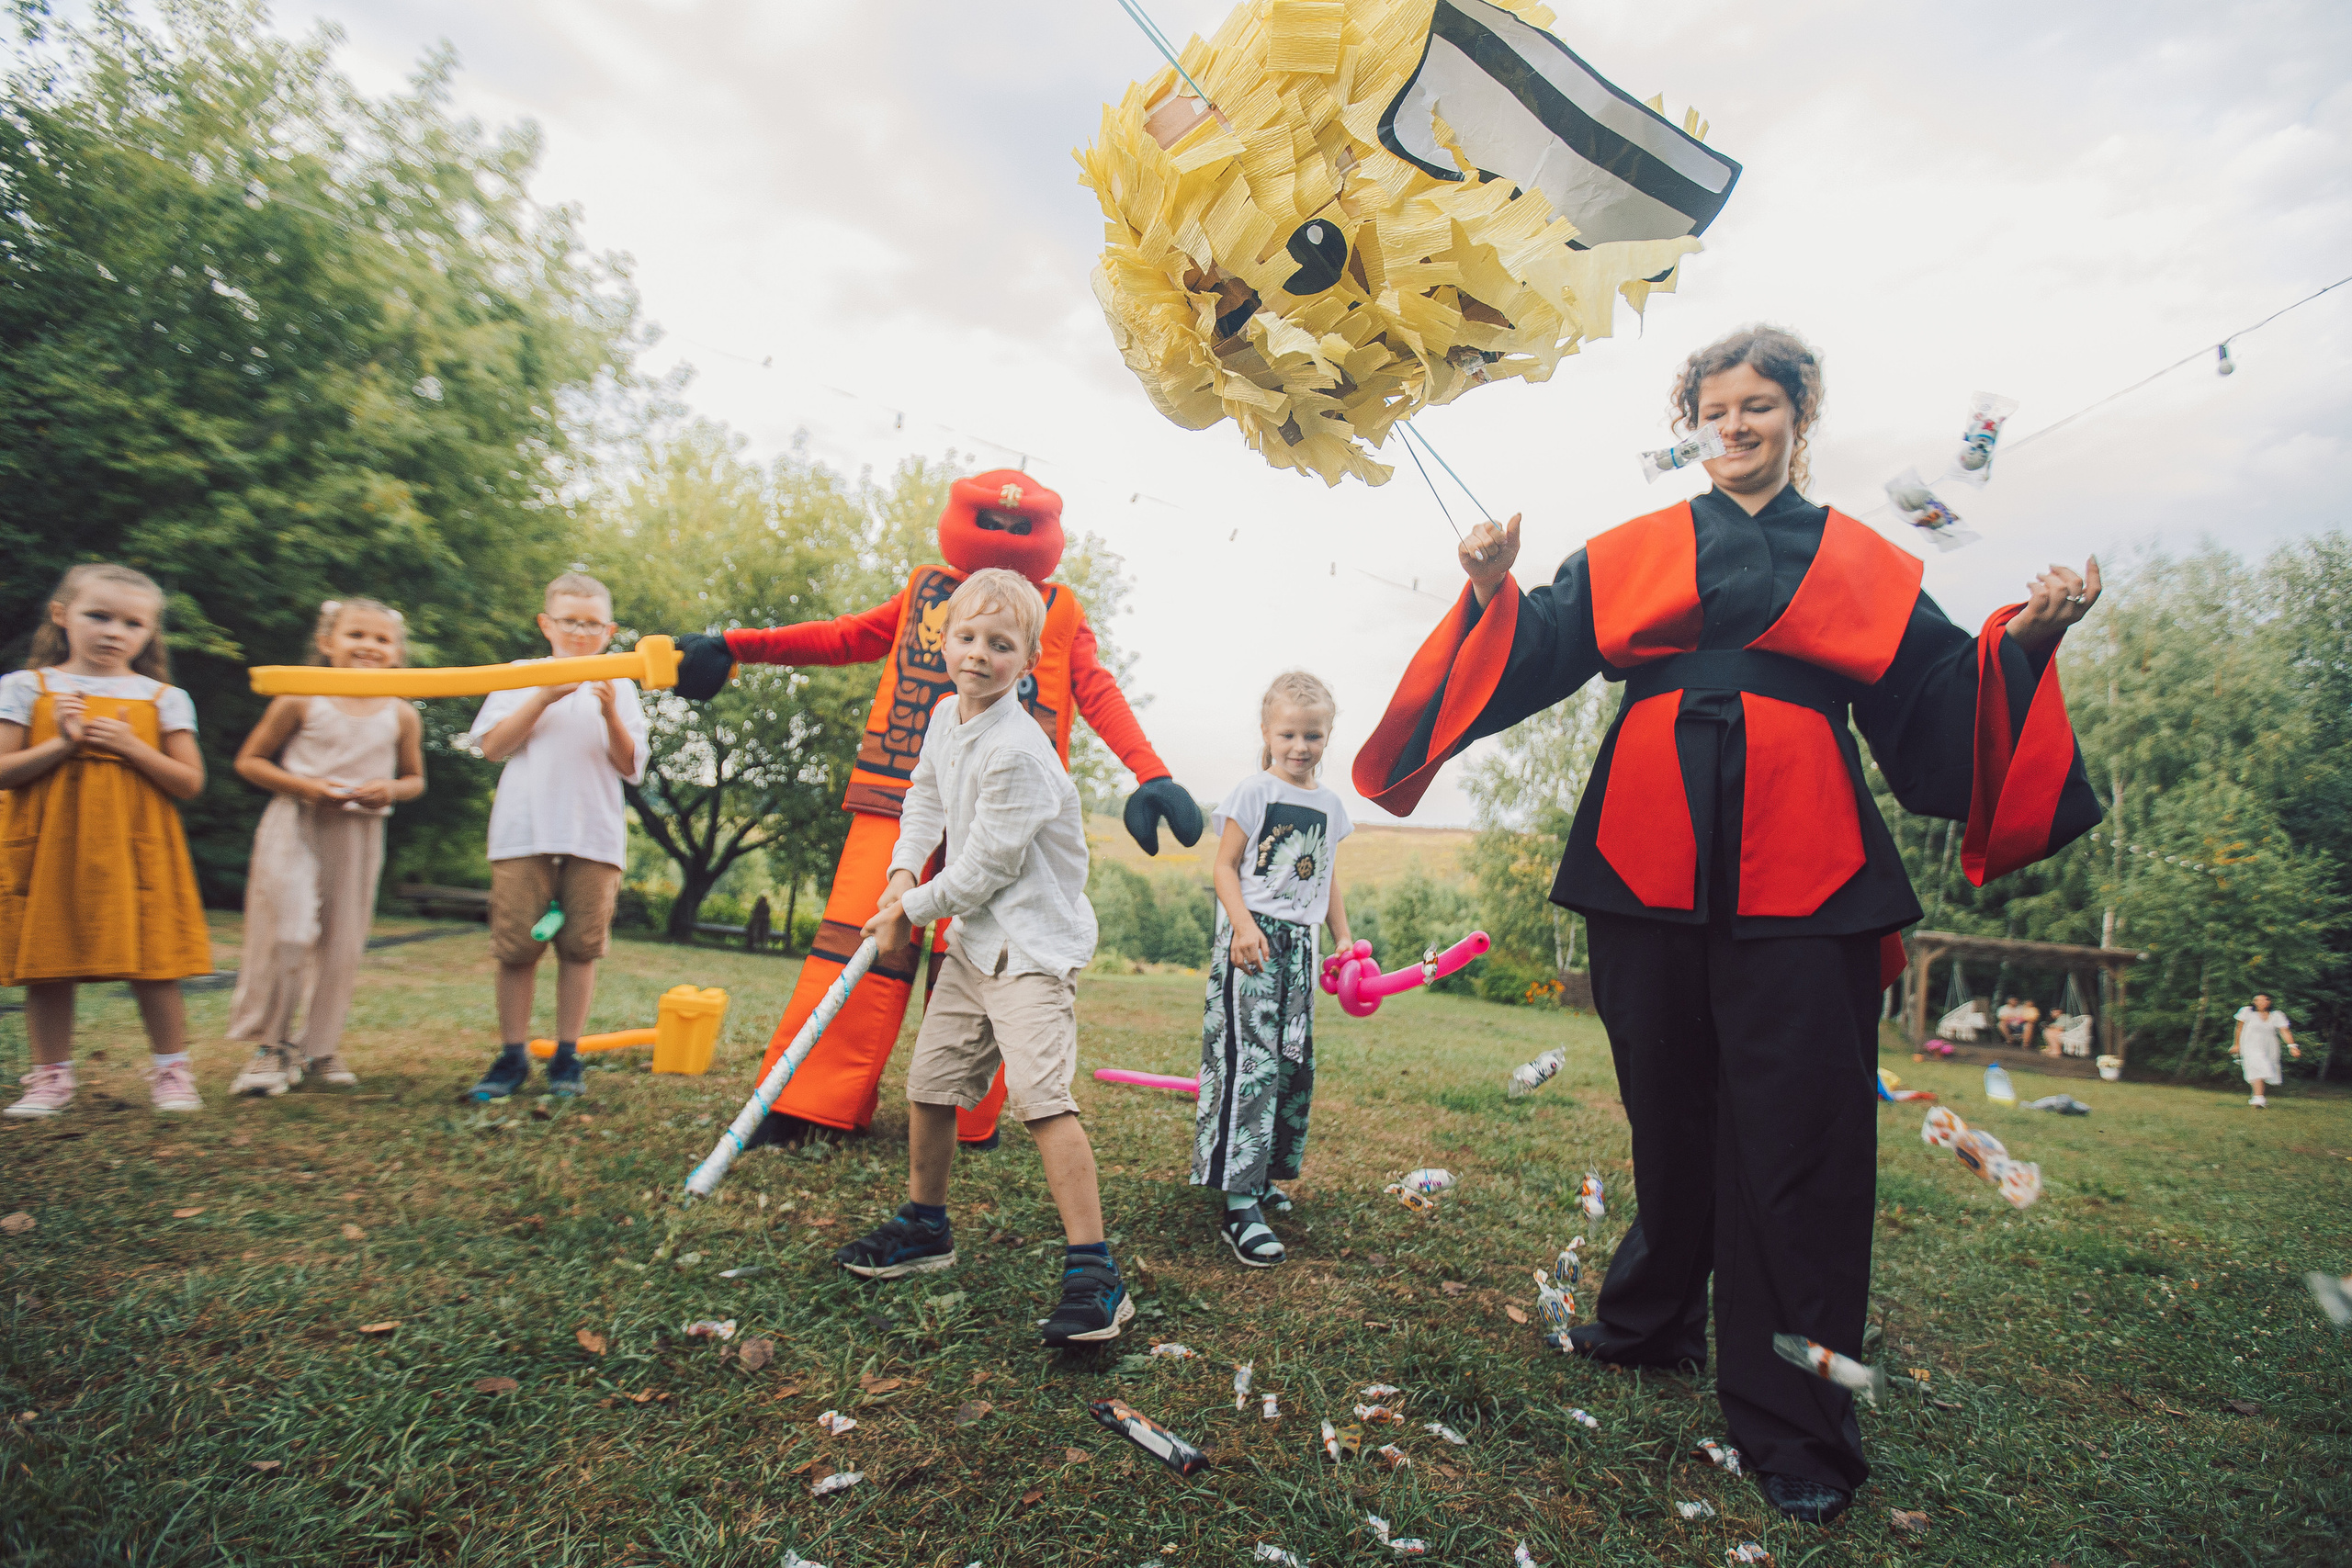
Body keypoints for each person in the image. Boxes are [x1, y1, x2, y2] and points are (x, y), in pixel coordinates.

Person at [1352, 326, 2106, 1524]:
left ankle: (1796, 1414)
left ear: (1800, 414)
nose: (1738, 423)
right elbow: (1538, 648)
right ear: (1694, 422)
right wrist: (1492, 587)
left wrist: (2026, 637)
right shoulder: (1636, 550)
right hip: (1642, 849)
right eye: (1717, 406)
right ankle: (1649, 1322)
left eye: (1760, 403)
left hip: (1808, 863)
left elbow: (1935, 704)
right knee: (1669, 1101)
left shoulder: (1862, 561)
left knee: (1801, 1133)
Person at [672, 471, 1199, 1150]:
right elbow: (844, 637)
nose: (1006, 537)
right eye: (993, 522)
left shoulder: (1060, 612)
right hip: (899, 791)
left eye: (1021, 526)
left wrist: (1151, 773)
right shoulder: (926, 590)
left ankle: (966, 1107)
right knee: (857, 938)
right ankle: (810, 1097)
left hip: (1006, 810)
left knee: (990, 949)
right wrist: (737, 646)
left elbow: (1095, 689)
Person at [831, 569, 1129, 1345]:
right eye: (967, 637)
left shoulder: (1019, 753)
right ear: (942, 640)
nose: (979, 655)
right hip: (972, 942)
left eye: (1001, 645)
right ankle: (926, 1225)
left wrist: (910, 911)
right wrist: (902, 872)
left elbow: (987, 866)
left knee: (1041, 1098)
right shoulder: (942, 717)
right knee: (930, 1082)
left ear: (1028, 660)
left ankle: (1096, 1272)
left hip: (1029, 947)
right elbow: (924, 797)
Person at [0, 564, 212, 1117]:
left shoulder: (165, 697)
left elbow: (188, 782)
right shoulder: (25, 687)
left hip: (135, 847)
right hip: (49, 844)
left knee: (154, 960)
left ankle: (171, 1071)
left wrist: (127, 744)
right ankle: (50, 1078)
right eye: (98, 615)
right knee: (46, 960)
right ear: (61, 615)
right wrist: (62, 745)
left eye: (132, 623)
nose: (113, 631)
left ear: (148, 634)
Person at [226, 599, 425, 1096]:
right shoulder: (299, 697)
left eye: (381, 640)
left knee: (342, 941)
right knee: (289, 930)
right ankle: (271, 1048)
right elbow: (251, 761)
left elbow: (414, 779)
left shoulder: (401, 713)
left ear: (398, 653)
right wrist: (305, 787)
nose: (369, 647)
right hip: (297, 821)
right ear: (327, 643)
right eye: (356, 635)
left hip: (359, 832)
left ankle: (319, 1048)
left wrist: (390, 789)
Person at [463, 574, 649, 1100]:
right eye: (569, 620)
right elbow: (493, 747)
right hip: (524, 831)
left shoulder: (624, 683)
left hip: (595, 835)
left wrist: (611, 710)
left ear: (609, 630)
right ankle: (512, 1055)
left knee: (581, 949)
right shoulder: (519, 675)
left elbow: (630, 766)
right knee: (518, 948)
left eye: (592, 623)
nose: (580, 631)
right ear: (547, 623)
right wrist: (543, 696)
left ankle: (567, 1056)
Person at [1193, 671, 1352, 1267]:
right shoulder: (1251, 793)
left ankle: (1261, 1176)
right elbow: (1225, 867)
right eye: (1288, 733)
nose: (1300, 746)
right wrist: (1242, 926)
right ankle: (1237, 1199)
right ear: (1267, 732)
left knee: (1290, 1063)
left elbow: (1328, 874)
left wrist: (1342, 937)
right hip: (1252, 944)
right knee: (1250, 1066)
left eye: (1312, 734)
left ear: (1327, 735)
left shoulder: (1331, 805)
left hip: (1302, 951)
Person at [2232, 993, 2299, 1108]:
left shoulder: (2277, 1015)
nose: (2261, 1002)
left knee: (2263, 1070)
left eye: (2265, 1000)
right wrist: (2236, 1044)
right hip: (2250, 1045)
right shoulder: (2247, 1012)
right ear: (2254, 1002)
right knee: (2258, 1065)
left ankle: (2257, 1097)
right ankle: (2258, 1098)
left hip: (2269, 1046)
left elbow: (2284, 1031)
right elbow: (2239, 1028)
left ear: (2269, 1002)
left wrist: (2292, 1046)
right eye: (2258, 1000)